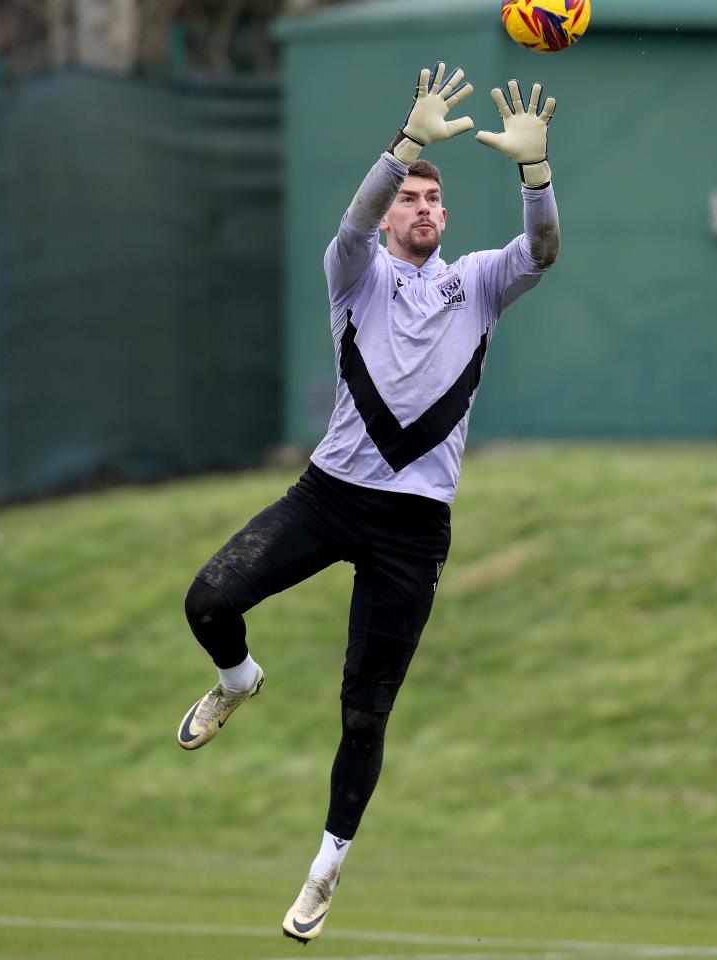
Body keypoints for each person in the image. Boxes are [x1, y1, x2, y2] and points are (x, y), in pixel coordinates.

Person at [176, 62, 561, 944]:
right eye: (409, 197)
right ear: (392, 214)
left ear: (446, 219)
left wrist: (535, 176)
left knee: (365, 709)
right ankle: (239, 680)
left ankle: (324, 871)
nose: (421, 206)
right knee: (207, 599)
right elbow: (352, 219)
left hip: (413, 529)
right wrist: (405, 144)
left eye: (432, 199)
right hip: (329, 499)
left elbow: (542, 251)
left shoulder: (479, 284)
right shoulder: (355, 273)